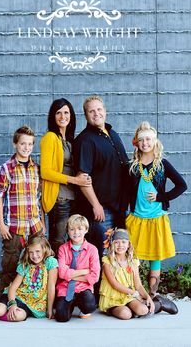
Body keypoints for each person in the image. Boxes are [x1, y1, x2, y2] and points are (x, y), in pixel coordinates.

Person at [126, 121, 187, 297]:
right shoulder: (132, 166)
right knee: (132, 256)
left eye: (148, 139)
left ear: (155, 142)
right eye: (141, 140)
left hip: (156, 217)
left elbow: (182, 185)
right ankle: (134, 293)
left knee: (155, 256)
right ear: (136, 143)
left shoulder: (163, 164)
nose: (145, 143)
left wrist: (162, 197)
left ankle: (152, 294)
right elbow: (125, 192)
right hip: (136, 217)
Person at [73, 95, 129, 259]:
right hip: (101, 210)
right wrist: (96, 205)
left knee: (117, 252)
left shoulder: (112, 134)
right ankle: (95, 285)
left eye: (99, 109)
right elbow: (82, 177)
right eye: (92, 111)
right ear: (86, 115)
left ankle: (112, 285)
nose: (96, 113)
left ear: (105, 111)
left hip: (119, 206)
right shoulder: (85, 141)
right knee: (98, 253)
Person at [0, 125, 46, 293]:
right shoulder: (6, 168)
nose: (27, 148)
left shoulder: (36, 168)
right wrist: (1, 224)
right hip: (14, 227)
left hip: (35, 226)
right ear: (15, 144)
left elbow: (39, 198)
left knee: (36, 263)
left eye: (30, 144)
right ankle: (5, 297)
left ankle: (31, 296)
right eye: (23, 143)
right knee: (11, 263)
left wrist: (42, 222)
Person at [40, 98, 92, 254]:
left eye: (66, 112)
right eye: (58, 113)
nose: (63, 116)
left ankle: (68, 276)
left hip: (73, 198)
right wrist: (75, 180)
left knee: (73, 242)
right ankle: (54, 278)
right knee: (58, 241)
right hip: (59, 199)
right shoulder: (50, 138)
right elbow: (45, 171)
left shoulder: (69, 140)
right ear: (53, 116)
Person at [0, 234, 58, 321]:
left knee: (18, 317)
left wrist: (49, 309)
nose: (34, 255)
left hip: (33, 304)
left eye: (37, 251)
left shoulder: (50, 262)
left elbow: (51, 287)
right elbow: (13, 288)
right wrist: (13, 305)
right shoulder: (25, 266)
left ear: (44, 249)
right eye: (31, 252)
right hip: (16, 296)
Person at [99, 228, 178, 319]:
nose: (120, 245)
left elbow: (138, 285)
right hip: (114, 297)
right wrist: (135, 294)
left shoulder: (133, 262)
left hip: (128, 296)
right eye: (117, 242)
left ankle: (159, 303)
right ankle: (132, 311)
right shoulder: (107, 261)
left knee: (143, 310)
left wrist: (148, 297)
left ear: (128, 244)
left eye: (124, 242)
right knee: (125, 315)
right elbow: (114, 284)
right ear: (112, 244)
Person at [55, 214, 100, 322]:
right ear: (67, 231)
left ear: (86, 230)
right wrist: (85, 271)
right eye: (72, 229)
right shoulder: (63, 249)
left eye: (80, 229)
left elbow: (94, 277)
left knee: (90, 305)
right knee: (61, 317)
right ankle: (69, 304)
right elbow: (61, 273)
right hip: (65, 287)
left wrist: (70, 275)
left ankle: (82, 307)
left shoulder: (92, 249)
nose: (76, 232)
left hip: (83, 287)